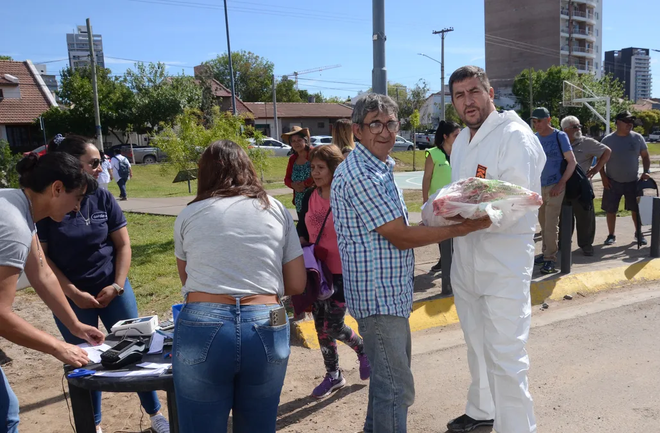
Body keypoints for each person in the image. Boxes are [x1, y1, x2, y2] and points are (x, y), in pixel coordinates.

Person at [331, 93, 491, 433]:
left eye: (391, 123)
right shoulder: (362, 174)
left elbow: (399, 229)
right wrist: (461, 229)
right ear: (357, 130)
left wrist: (447, 217)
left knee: (386, 383)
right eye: (375, 124)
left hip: (388, 295)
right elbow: (400, 236)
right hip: (379, 298)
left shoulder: (379, 167)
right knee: (396, 389)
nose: (385, 131)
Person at [38, 135, 170, 433]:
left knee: (137, 349)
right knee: (83, 360)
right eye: (95, 162)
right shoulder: (51, 202)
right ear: (73, 165)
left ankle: (155, 414)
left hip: (113, 290)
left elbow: (123, 245)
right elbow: (42, 260)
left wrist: (118, 285)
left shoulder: (103, 197)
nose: (101, 167)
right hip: (72, 296)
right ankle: (93, 424)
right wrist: (73, 293)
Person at [172, 140, 306, 433]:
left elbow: (188, 282)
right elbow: (297, 283)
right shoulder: (276, 209)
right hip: (267, 319)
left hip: (202, 322)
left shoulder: (189, 214)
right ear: (248, 168)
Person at [444, 66, 546, 433]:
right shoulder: (461, 141)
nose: (468, 101)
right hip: (466, 258)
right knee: (476, 343)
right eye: (460, 95)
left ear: (490, 93)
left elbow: (519, 200)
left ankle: (516, 427)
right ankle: (482, 409)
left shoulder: (514, 136)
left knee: (506, 354)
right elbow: (460, 193)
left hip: (503, 261)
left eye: (474, 92)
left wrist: (473, 216)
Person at [0, 152, 105, 432]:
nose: (77, 208)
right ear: (57, 188)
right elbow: (0, 315)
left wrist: (75, 325)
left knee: (5, 413)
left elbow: (42, 273)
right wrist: (58, 347)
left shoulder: (18, 205)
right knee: (4, 417)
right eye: (77, 198)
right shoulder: (13, 226)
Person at [296, 145, 371, 399]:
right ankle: (334, 375)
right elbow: (303, 227)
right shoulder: (309, 196)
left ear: (334, 169)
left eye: (321, 167)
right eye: (313, 168)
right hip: (318, 272)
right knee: (320, 326)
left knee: (333, 325)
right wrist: (301, 244)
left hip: (342, 272)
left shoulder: (345, 195)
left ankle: (362, 348)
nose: (315, 173)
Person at [531, 107, 576, 274]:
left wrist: (561, 183)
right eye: (534, 121)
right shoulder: (534, 138)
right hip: (538, 187)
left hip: (555, 186)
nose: (536, 125)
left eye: (539, 121)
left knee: (551, 224)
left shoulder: (560, 136)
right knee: (543, 224)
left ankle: (550, 258)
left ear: (548, 120)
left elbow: (572, 162)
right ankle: (545, 252)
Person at [561, 115, 611, 256]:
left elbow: (607, 151)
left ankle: (586, 245)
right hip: (562, 186)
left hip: (581, 187)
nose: (578, 129)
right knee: (563, 218)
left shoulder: (587, 142)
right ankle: (563, 244)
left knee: (585, 218)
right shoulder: (559, 141)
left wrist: (596, 168)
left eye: (579, 126)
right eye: (575, 127)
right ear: (565, 130)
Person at [599, 111, 651, 246]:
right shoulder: (607, 140)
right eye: (626, 121)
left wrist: (646, 171)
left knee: (636, 209)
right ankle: (611, 235)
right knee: (611, 210)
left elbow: (645, 156)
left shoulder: (638, 138)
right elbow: (600, 161)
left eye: (631, 122)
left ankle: (638, 233)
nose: (630, 124)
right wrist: (603, 178)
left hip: (633, 181)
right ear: (618, 123)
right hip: (612, 181)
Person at [421, 120, 461, 273]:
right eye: (455, 135)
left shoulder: (459, 153)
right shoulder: (433, 154)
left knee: (456, 231)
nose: (458, 138)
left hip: (456, 200)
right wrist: (425, 200)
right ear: (445, 136)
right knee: (441, 231)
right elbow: (427, 178)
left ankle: (451, 260)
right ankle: (444, 259)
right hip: (438, 201)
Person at [282, 126, 314, 212]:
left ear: (305, 140)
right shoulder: (292, 159)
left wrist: (304, 184)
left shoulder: (314, 154)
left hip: (314, 199)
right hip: (299, 202)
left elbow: (319, 174)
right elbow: (287, 179)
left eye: (299, 140)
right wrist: (293, 185)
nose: (296, 143)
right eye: (293, 141)